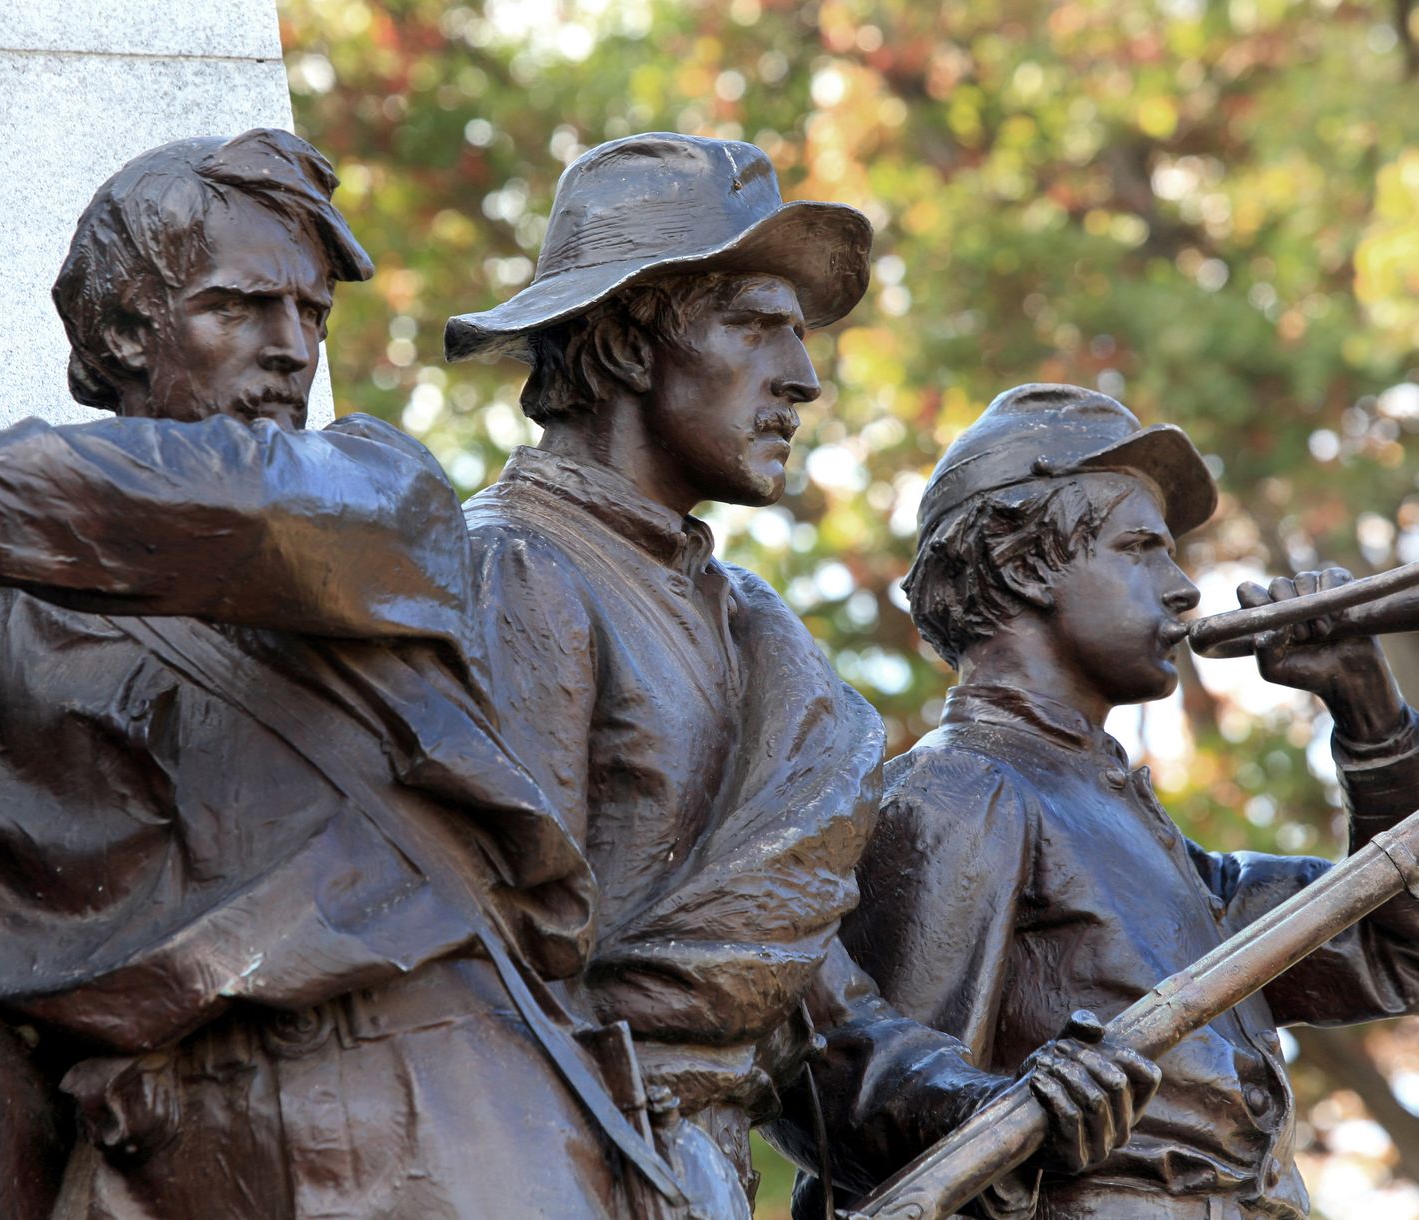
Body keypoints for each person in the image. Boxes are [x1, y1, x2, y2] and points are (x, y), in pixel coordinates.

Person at [446, 136, 1161, 1218]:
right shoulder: (519, 569)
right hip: (554, 1165)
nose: (802, 377)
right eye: (754, 323)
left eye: (800, 332)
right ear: (636, 335)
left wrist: (985, 1100)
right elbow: (494, 960)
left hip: (692, 1171)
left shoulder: (756, 633)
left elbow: (812, 999)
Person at [0, 129, 627, 1220]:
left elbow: (251, 519)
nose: (292, 348)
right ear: (119, 327)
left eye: (313, 316)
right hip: (165, 1151)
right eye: (241, 306)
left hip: (435, 1107)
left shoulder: (377, 489)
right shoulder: (15, 616)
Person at [821, 382, 1419, 1218]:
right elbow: (865, 1119)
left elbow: (1399, 950)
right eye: (1142, 548)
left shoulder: (1162, 850)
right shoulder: (962, 786)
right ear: (1026, 564)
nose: (1183, 590)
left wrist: (1371, 715)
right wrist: (1000, 1104)